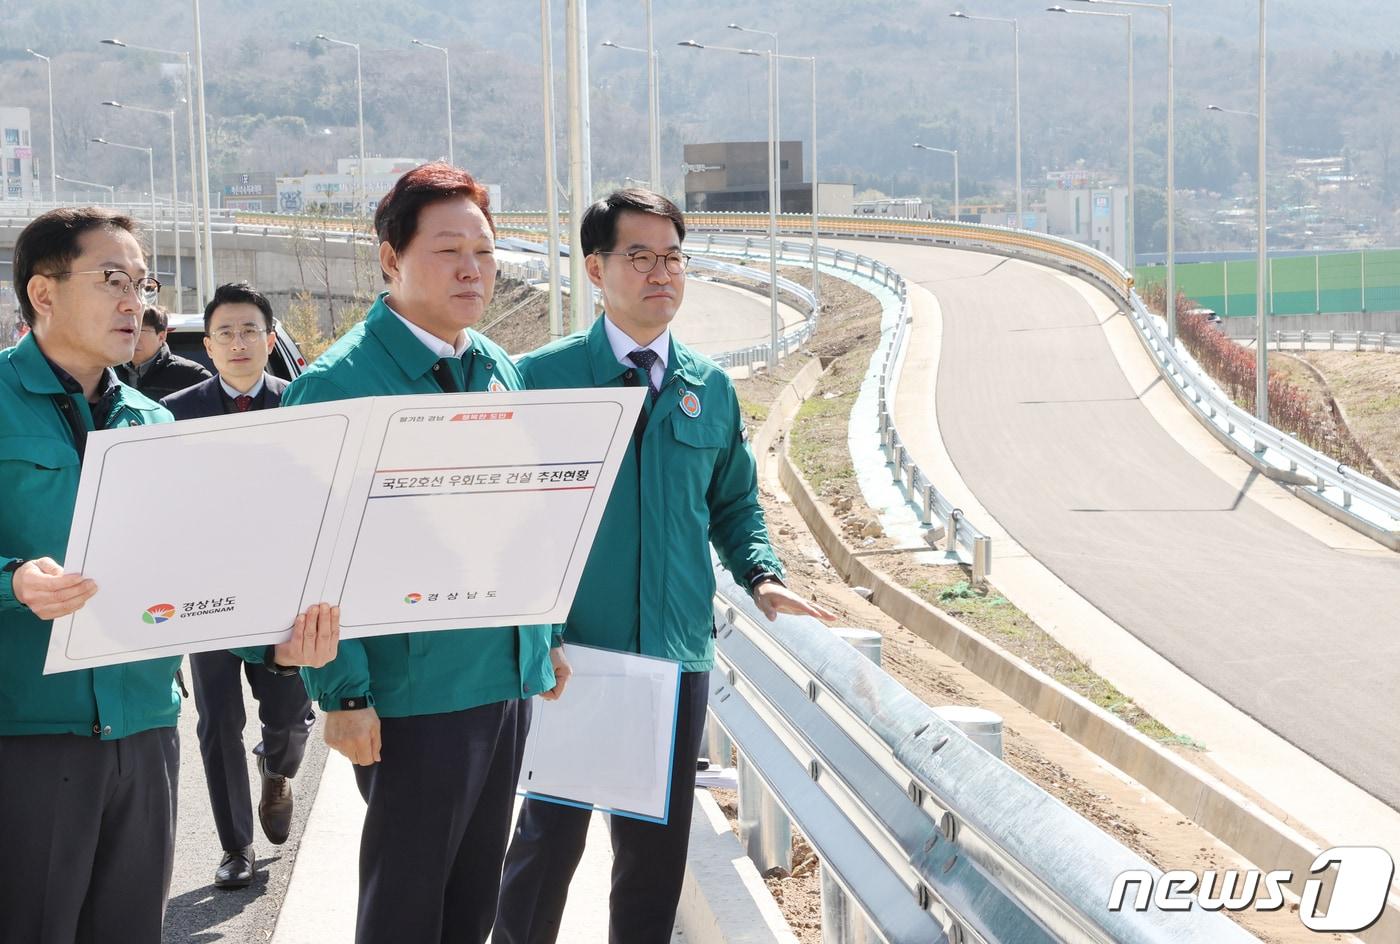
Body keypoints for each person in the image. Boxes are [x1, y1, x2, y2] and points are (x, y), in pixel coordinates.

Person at [495, 189, 837, 944]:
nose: (662, 273)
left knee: (651, 865)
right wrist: (535, 633)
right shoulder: (539, 380)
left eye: (674, 257)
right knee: (546, 850)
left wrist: (763, 575)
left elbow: (734, 504)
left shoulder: (707, 389)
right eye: (640, 256)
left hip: (674, 661)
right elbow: (509, 524)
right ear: (595, 267)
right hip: (572, 656)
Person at [0, 206, 340, 944]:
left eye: (142, 281)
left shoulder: (152, 424)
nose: (137, 301)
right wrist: (14, 582)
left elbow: (199, 578)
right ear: (44, 293)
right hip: (27, 734)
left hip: (147, 732)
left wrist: (279, 647)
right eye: (111, 279)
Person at [280, 162, 572, 944]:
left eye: (484, 249)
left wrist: (545, 637)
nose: (473, 268)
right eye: (448, 251)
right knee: (407, 910)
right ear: (390, 258)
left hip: (500, 683)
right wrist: (341, 694)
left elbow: (523, 519)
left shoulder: (497, 367)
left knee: (474, 904)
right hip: (412, 695)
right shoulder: (337, 385)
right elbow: (312, 557)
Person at [161, 281, 313, 889]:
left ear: (269, 338)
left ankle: (277, 772)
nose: (238, 342)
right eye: (224, 332)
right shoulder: (176, 413)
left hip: (285, 594)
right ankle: (235, 846)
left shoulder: (304, 403)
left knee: (288, 716)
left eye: (250, 329)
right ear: (208, 344)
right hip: (208, 595)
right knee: (217, 719)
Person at [116, 303, 212, 399]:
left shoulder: (194, 377)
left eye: (140, 331)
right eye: (128, 330)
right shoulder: (109, 372)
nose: (133, 337)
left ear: (162, 336)